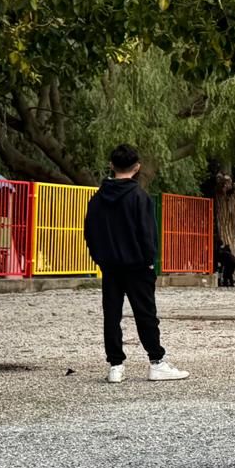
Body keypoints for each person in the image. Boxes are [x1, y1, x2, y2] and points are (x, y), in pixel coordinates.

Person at [81, 144, 188, 383]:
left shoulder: (97, 199)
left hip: (110, 266)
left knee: (111, 314)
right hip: (137, 266)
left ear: (111, 165)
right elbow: (147, 234)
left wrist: (100, 258)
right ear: (137, 167)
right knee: (145, 314)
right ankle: (156, 361)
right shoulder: (139, 197)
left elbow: (90, 233)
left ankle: (116, 366)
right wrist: (149, 262)